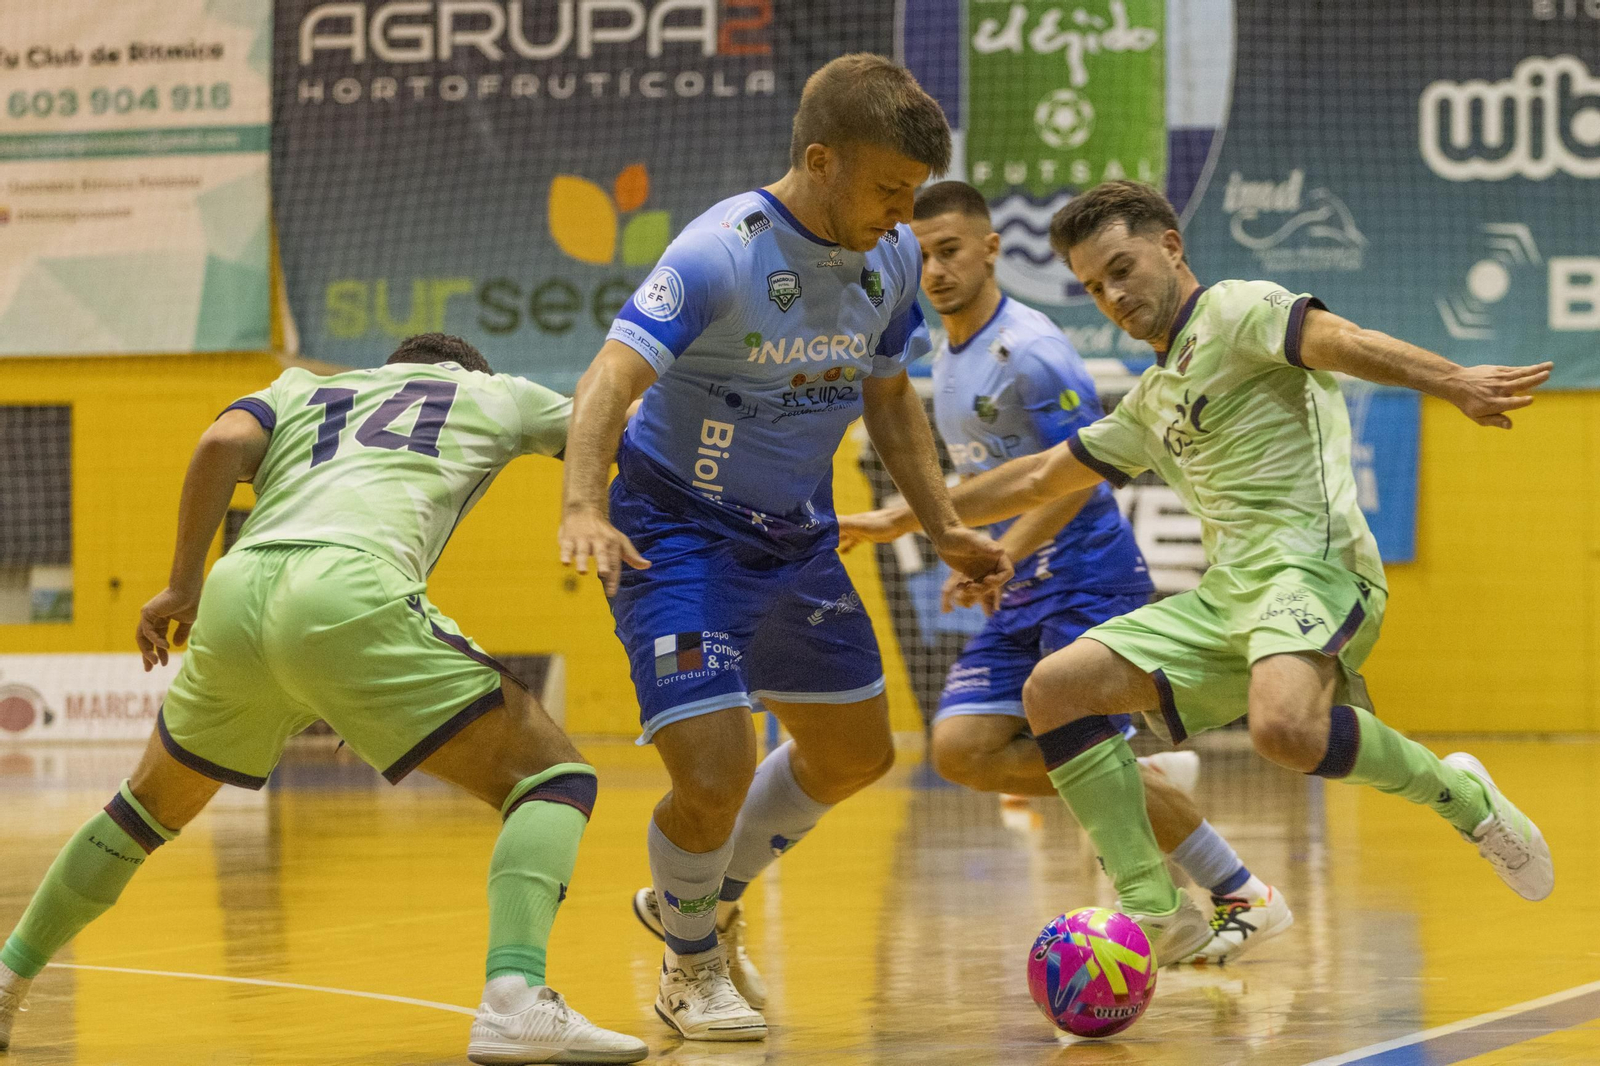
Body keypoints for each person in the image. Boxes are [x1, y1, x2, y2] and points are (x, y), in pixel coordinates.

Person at [932, 180, 1555, 964]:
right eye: (1094, 286)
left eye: (1122, 269)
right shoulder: (1151, 401)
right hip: (1228, 598)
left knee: (1284, 729)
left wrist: (1454, 380)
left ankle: (1463, 797)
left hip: (1314, 566)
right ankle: (1154, 910)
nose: (1113, 296)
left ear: (1170, 246)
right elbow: (1034, 479)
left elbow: (1345, 339)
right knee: (1054, 689)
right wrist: (921, 514)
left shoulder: (1237, 309)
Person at [0, 334, 647, 1065]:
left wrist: (181, 584)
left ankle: (7, 979)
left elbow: (218, 443)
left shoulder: (299, 386)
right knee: (553, 780)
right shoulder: (492, 393)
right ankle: (514, 1001)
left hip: (237, 592)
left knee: (140, 812)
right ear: (465, 369)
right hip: (350, 588)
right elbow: (614, 421)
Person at [557, 55, 1011, 1040]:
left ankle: (701, 897)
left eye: (914, 195)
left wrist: (945, 529)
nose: (903, 217)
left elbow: (888, 400)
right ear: (820, 160)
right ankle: (687, 964)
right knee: (716, 770)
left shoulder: (888, 262)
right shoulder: (718, 252)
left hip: (791, 535)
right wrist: (584, 504)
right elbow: (605, 380)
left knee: (855, 753)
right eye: (889, 189)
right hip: (671, 528)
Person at [839, 180, 1290, 963]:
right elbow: (993, 485)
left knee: (1080, 752)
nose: (935, 270)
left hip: (1086, 575)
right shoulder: (944, 351)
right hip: (1023, 583)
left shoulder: (1034, 351)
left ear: (990, 249)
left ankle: (1234, 890)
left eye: (950, 251)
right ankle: (1147, 784)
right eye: (920, 256)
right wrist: (959, 541)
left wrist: (1003, 548)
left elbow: (1077, 472)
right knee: (961, 749)